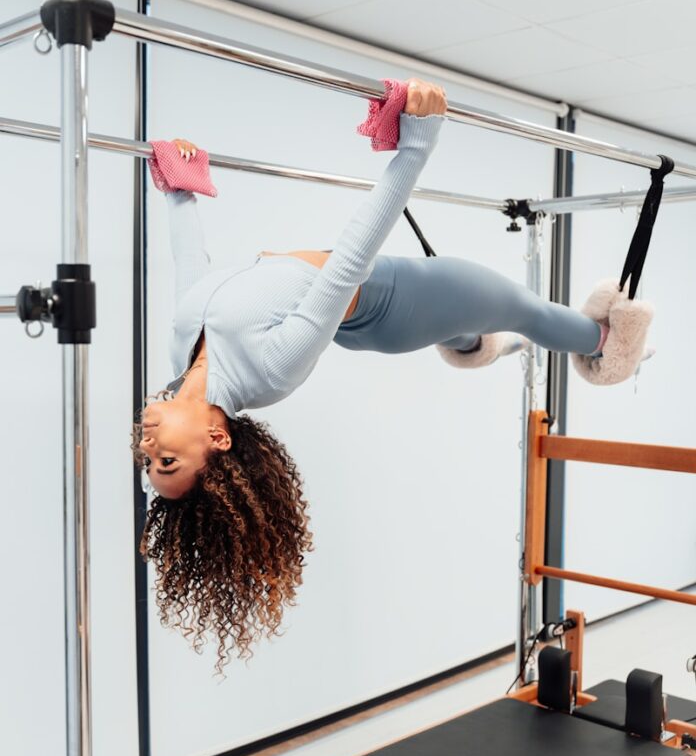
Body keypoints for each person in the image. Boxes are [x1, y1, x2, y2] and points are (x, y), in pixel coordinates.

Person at [133, 79, 653, 671]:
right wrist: (418, 144)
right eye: (166, 461)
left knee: (478, 325)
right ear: (217, 439)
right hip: (404, 301)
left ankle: (475, 344)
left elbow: (192, 271)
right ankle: (612, 345)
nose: (148, 449)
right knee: (525, 309)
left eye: (148, 462)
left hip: (371, 317)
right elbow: (350, 261)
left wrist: (180, 188)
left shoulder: (182, 357)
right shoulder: (270, 371)